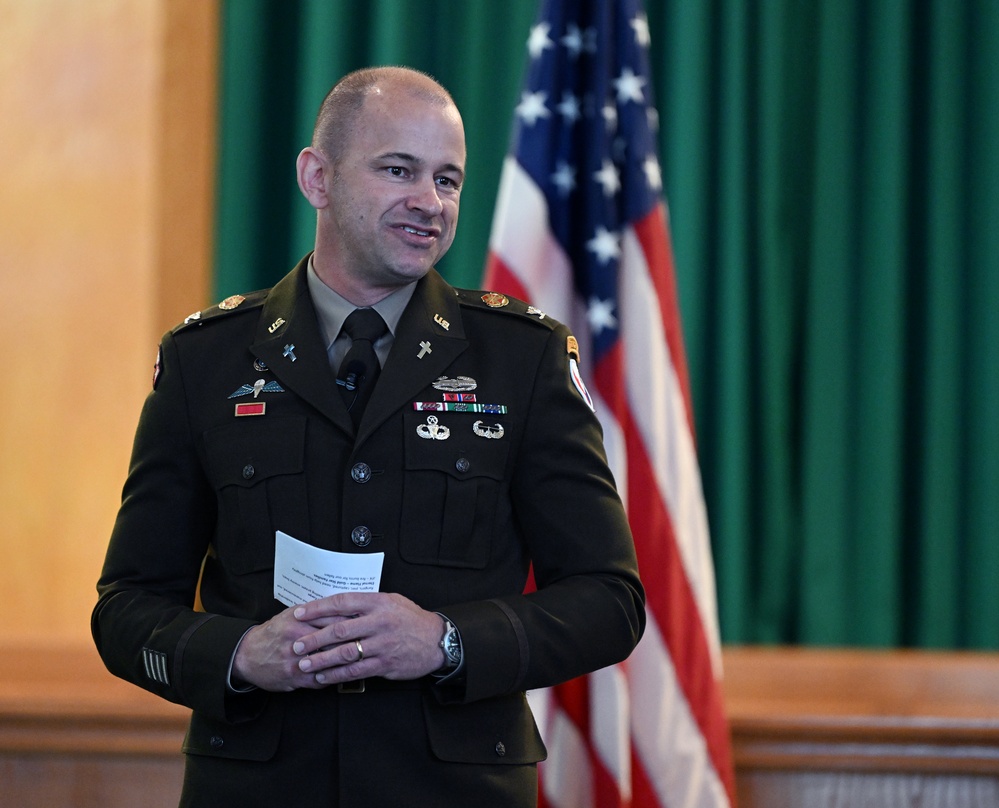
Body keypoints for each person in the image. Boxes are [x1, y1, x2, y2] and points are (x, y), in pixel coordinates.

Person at [93, 66, 644, 808]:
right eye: (398, 170)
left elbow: (610, 601)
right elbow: (126, 605)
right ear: (316, 177)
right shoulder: (205, 361)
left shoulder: (522, 359)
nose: (430, 203)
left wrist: (447, 640)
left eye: (448, 180)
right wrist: (239, 656)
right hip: (259, 788)